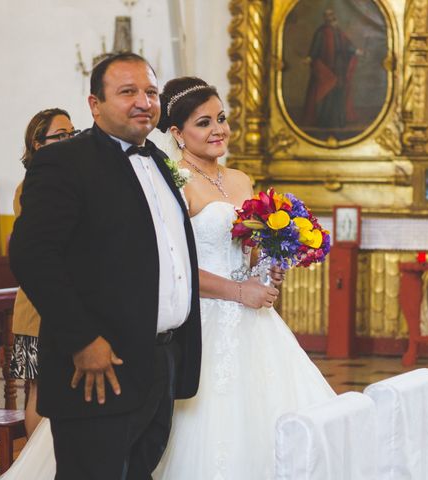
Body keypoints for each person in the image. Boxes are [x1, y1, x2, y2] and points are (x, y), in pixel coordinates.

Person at [8, 53, 201, 480]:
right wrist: (82, 339)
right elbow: (31, 255)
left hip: (159, 361)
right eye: (127, 91)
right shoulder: (64, 162)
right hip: (98, 366)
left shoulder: (161, 164)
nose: (143, 101)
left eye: (151, 92)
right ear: (95, 105)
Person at [151, 77, 337, 479]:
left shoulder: (240, 180)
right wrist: (240, 290)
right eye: (203, 123)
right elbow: (174, 270)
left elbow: (247, 250)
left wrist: (270, 264)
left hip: (253, 319)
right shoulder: (173, 184)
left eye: (221, 118)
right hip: (203, 320)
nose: (218, 129)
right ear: (177, 133)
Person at [10, 108, 78, 437]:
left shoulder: (70, 180)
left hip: (61, 304)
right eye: (60, 135)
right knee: (40, 391)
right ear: (38, 144)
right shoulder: (33, 186)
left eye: (72, 134)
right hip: (37, 309)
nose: (69, 141)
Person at [301, 8, 359, 129]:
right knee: (327, 93)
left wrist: (355, 50)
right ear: (325, 18)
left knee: (339, 94)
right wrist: (310, 58)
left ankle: (339, 121)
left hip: (339, 68)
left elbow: (348, 45)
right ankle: (325, 122)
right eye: (328, 15)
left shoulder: (339, 32)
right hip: (327, 68)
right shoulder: (321, 32)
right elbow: (315, 48)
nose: (330, 17)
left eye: (332, 15)